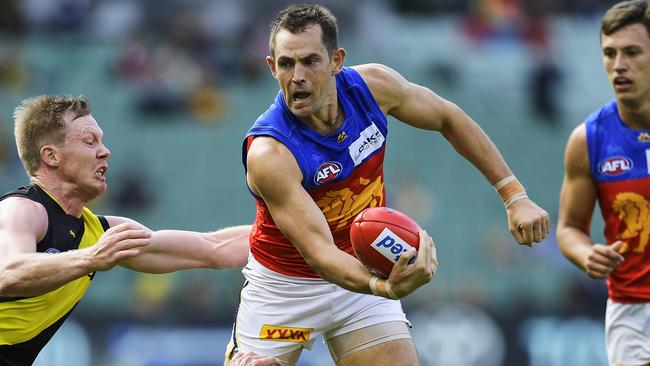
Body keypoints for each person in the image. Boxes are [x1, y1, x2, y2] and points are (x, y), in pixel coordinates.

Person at [225, 4, 550, 365]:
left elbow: (448, 118)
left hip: (359, 269)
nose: (297, 75)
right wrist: (384, 287)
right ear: (272, 67)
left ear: (336, 61)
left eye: (310, 61)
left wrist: (514, 195)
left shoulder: (374, 87)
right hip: (285, 289)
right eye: (286, 64)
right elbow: (319, 253)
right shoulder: (271, 152)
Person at [0, 95, 256, 366]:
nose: (105, 151)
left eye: (102, 140)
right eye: (90, 141)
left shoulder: (102, 231)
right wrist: (90, 258)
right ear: (51, 155)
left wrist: (291, 227)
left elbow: (213, 249)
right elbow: (7, 272)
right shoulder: (23, 209)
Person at [557, 1, 650, 365]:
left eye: (632, 52)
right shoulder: (589, 139)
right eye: (609, 53)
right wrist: (586, 253)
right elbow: (568, 228)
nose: (618, 65)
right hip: (632, 310)